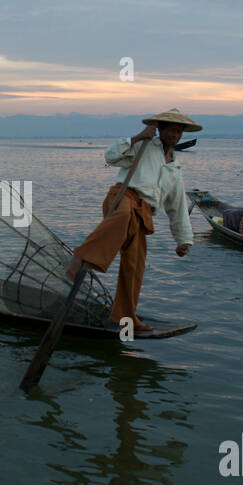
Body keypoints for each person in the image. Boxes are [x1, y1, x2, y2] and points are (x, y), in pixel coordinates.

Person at [64, 109, 198, 333]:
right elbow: (111, 157)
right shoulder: (143, 146)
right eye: (171, 130)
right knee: (123, 216)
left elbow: (177, 206)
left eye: (178, 131)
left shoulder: (175, 167)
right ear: (160, 129)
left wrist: (183, 239)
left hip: (144, 211)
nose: (175, 135)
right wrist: (137, 137)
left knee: (135, 264)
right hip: (123, 196)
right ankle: (80, 259)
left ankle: (125, 317)